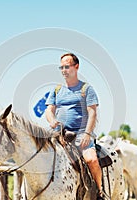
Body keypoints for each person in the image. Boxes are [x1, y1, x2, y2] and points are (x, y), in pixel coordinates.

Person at [45, 53, 104, 200]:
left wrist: (87, 134)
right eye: (62, 67)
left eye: (67, 66)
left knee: (92, 160)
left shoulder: (86, 89)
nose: (64, 70)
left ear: (76, 67)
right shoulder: (57, 90)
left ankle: (99, 191)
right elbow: (49, 110)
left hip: (81, 134)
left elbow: (92, 114)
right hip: (59, 135)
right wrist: (52, 120)